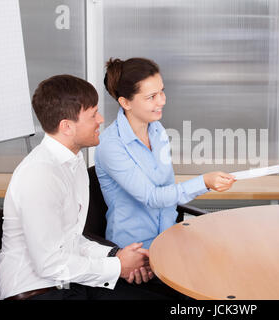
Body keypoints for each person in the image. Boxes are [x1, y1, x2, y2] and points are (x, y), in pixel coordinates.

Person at [0, 74, 169, 300]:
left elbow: (72, 240)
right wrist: (118, 266)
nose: (101, 119)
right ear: (66, 126)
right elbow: (48, 264)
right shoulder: (40, 175)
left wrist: (117, 256)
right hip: (36, 291)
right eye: (93, 114)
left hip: (70, 280)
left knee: (165, 294)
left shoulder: (74, 162)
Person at [95, 57, 235, 250]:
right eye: (151, 97)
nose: (162, 100)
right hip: (134, 250)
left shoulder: (156, 129)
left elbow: (167, 188)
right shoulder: (111, 146)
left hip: (166, 238)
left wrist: (171, 240)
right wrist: (204, 182)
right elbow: (152, 197)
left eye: (162, 91)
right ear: (125, 102)